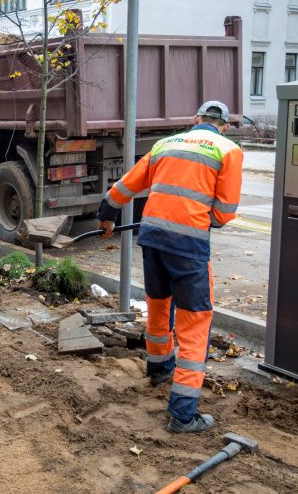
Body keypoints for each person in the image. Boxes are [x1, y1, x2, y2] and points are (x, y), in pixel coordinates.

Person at [98, 101, 243, 434]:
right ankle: (182, 414)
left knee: (158, 306)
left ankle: (160, 368)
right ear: (224, 125)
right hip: (188, 246)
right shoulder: (228, 150)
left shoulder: (165, 144)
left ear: (195, 120)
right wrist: (199, 220)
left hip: (151, 237)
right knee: (194, 325)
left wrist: (107, 215)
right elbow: (224, 211)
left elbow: (127, 185)